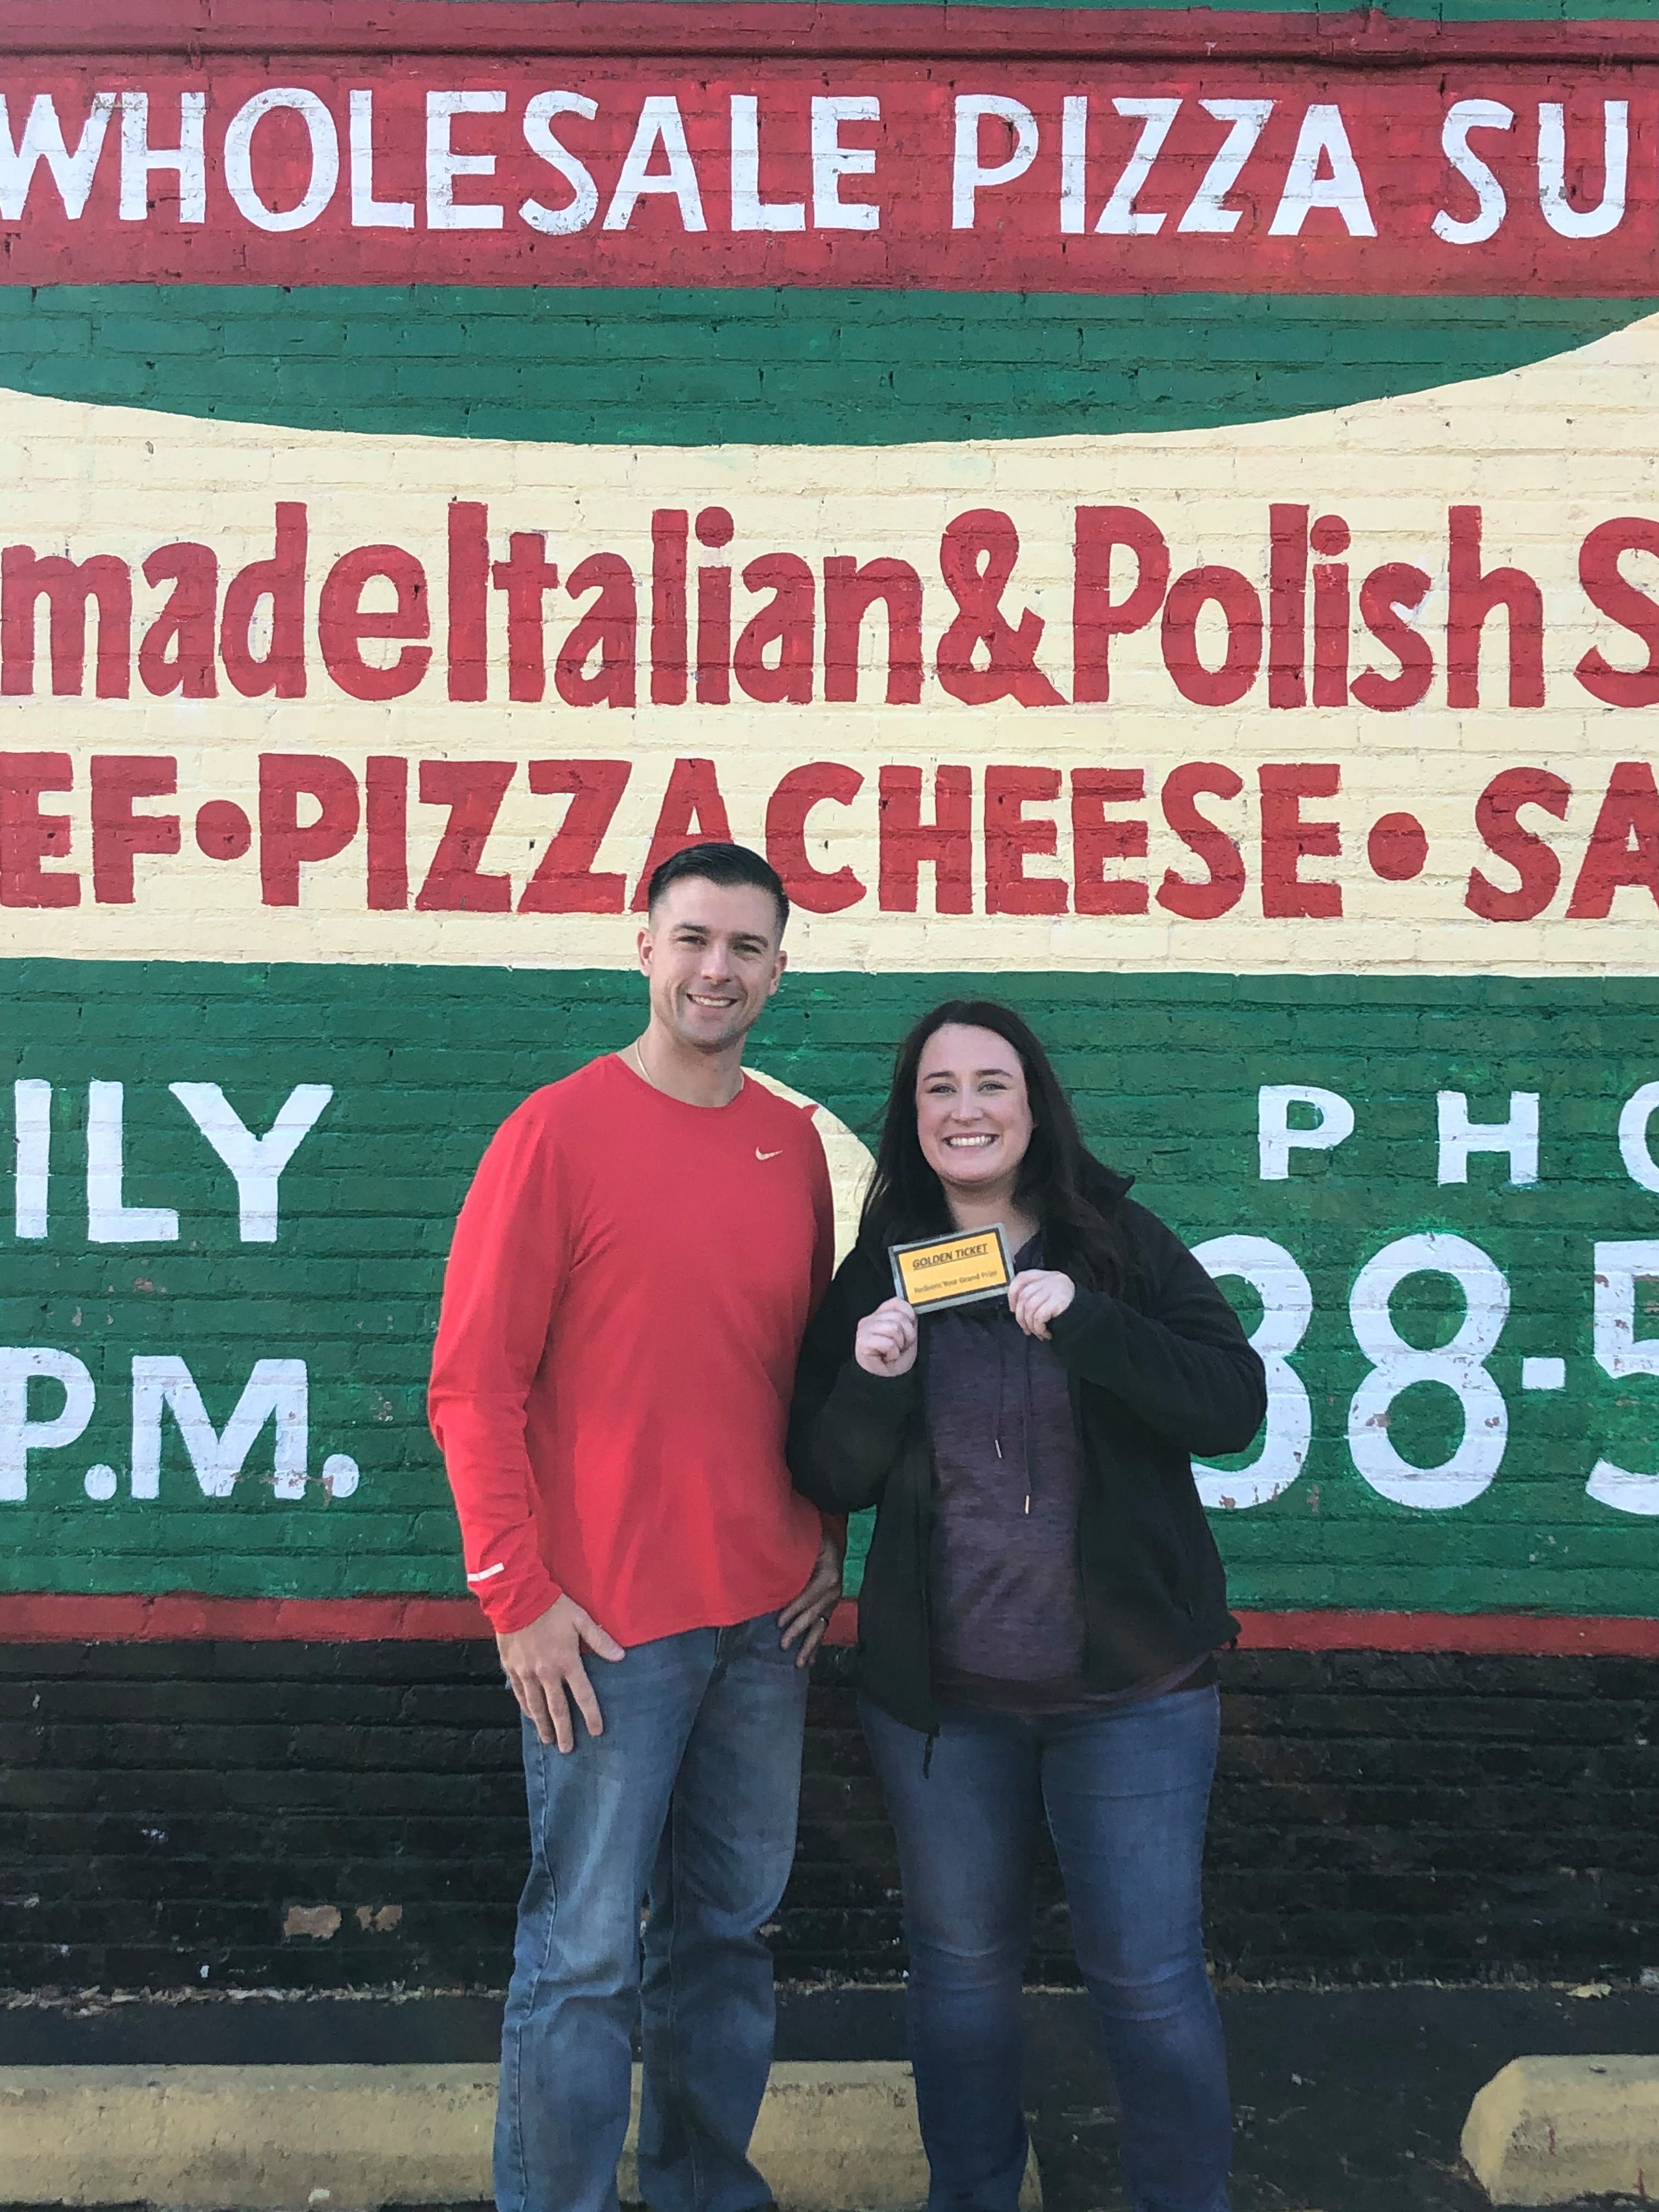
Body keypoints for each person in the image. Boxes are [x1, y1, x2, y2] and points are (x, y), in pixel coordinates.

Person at [788, 1000, 1266, 2212]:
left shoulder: (1117, 1245)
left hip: (1135, 1700)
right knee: (959, 1981)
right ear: (912, 1118)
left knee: (1148, 1982)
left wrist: (1092, 1323)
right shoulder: (882, 1271)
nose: (967, 1110)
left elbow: (1232, 1405)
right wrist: (875, 1378)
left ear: (1034, 1106)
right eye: (939, 1088)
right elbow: (827, 1471)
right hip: (945, 1713)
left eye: (990, 1084)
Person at [429, 842, 844, 2212]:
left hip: (765, 1625)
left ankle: (702, 2191)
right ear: (643, 947)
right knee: (585, 1957)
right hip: (603, 1630)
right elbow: (473, 1387)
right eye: (694, 939)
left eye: (747, 948)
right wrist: (516, 1597)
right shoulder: (555, 1133)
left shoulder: (792, 1148)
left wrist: (827, 1532)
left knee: (728, 1942)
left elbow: (800, 1373)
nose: (717, 969)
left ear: (778, 972)